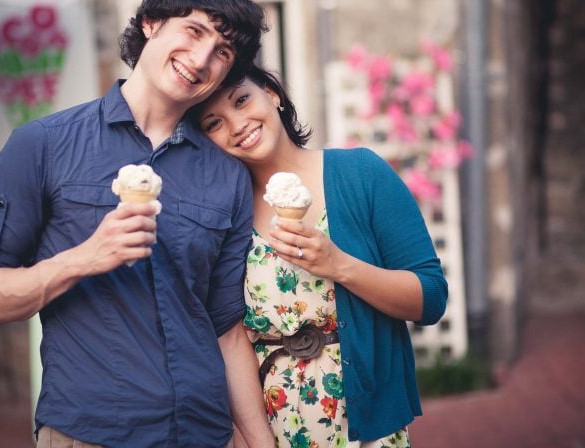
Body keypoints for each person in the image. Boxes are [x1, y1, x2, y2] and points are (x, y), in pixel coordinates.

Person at [0, 0, 275, 447]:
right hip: (90, 433)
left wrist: (260, 443)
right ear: (151, 22)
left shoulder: (226, 174)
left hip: (203, 434)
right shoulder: (42, 145)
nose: (201, 59)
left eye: (223, 53)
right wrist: (86, 256)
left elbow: (226, 331)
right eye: (193, 31)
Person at [192, 64, 449, 447]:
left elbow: (430, 299)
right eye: (214, 123)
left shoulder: (361, 173)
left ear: (272, 94)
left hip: (367, 426)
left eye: (242, 100)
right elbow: (229, 339)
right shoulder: (224, 215)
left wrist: (339, 266)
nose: (237, 124)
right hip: (274, 427)